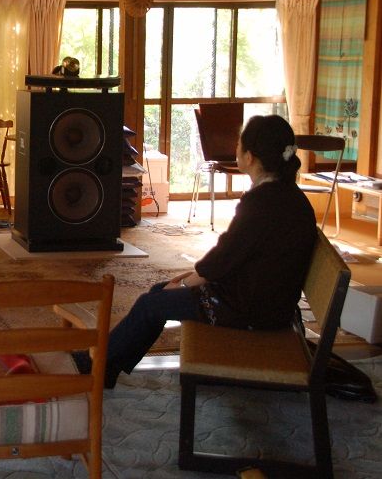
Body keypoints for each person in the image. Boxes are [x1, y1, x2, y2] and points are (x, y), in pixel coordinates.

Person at [74, 115, 317, 387]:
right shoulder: (288, 195)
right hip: (267, 303)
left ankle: (96, 364)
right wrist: (188, 279)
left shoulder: (261, 203)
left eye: (239, 144)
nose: (236, 148)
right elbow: (234, 256)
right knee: (158, 292)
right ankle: (107, 367)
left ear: (249, 157)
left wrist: (185, 284)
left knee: (150, 304)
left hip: (250, 311)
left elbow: (223, 260)